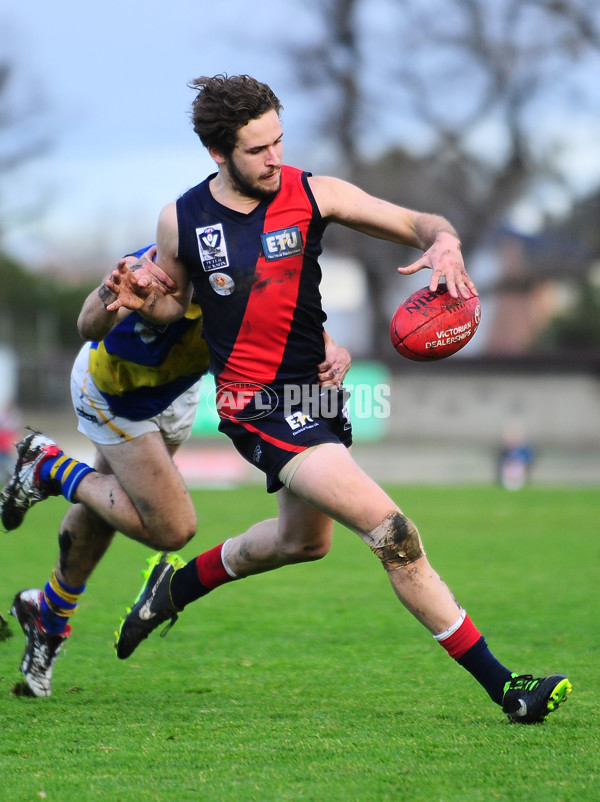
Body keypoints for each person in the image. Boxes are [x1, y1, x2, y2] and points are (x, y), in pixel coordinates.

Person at [13, 74, 572, 723]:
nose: (276, 158)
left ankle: (174, 586)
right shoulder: (183, 220)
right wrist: (137, 303)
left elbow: (418, 222)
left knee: (303, 543)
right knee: (393, 531)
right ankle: (510, 690)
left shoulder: (313, 192)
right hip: (258, 406)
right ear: (219, 154)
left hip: (316, 396)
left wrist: (443, 242)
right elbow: (180, 308)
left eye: (280, 140)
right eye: (259, 149)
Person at [1, 244, 352, 697]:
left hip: (176, 396)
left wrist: (331, 348)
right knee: (172, 528)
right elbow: (89, 325)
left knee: (109, 505)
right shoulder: (164, 262)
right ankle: (48, 466)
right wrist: (110, 290)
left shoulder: (255, 258)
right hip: (113, 391)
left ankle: (46, 616)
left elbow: (291, 311)